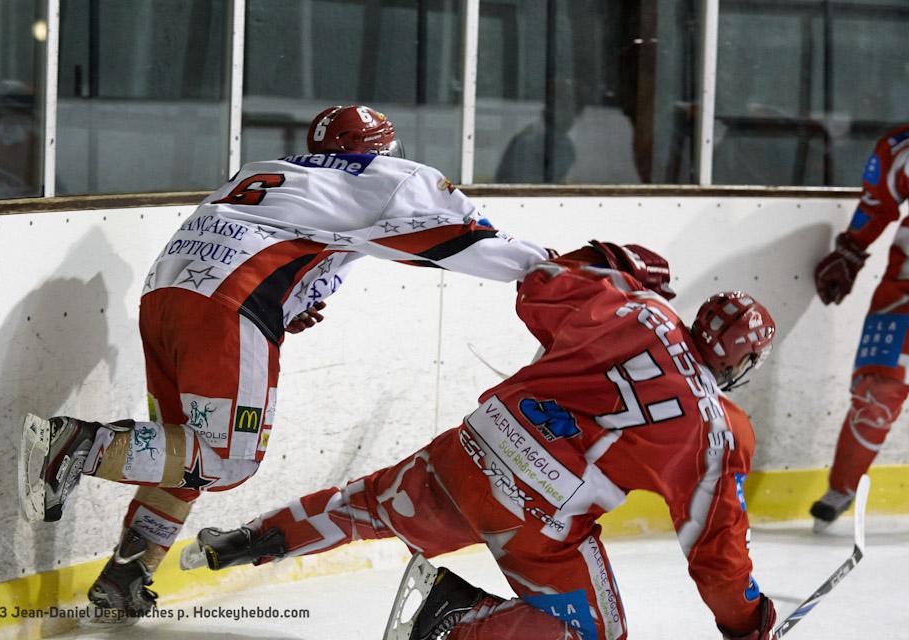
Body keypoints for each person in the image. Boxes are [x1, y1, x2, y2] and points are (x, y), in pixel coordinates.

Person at [18, 105, 555, 621]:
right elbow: (467, 236)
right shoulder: (385, 176)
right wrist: (553, 269)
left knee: (182, 451)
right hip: (230, 303)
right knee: (227, 457)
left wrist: (287, 304)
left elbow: (266, 239)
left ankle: (125, 577)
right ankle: (78, 444)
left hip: (165, 298)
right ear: (381, 150)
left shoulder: (271, 172)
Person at [186, 246, 778, 640]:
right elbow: (716, 555)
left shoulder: (637, 306)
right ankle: (456, 620)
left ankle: (254, 537)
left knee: (366, 505)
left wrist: (605, 263)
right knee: (591, 636)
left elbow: (538, 285)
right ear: (744, 362)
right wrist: (748, 623)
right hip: (534, 516)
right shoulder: (718, 427)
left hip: (470, 450)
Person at [811, 124, 909, 532]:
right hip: (904, 289)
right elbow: (878, 203)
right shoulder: (901, 147)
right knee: (877, 390)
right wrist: (851, 249)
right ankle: (842, 488)